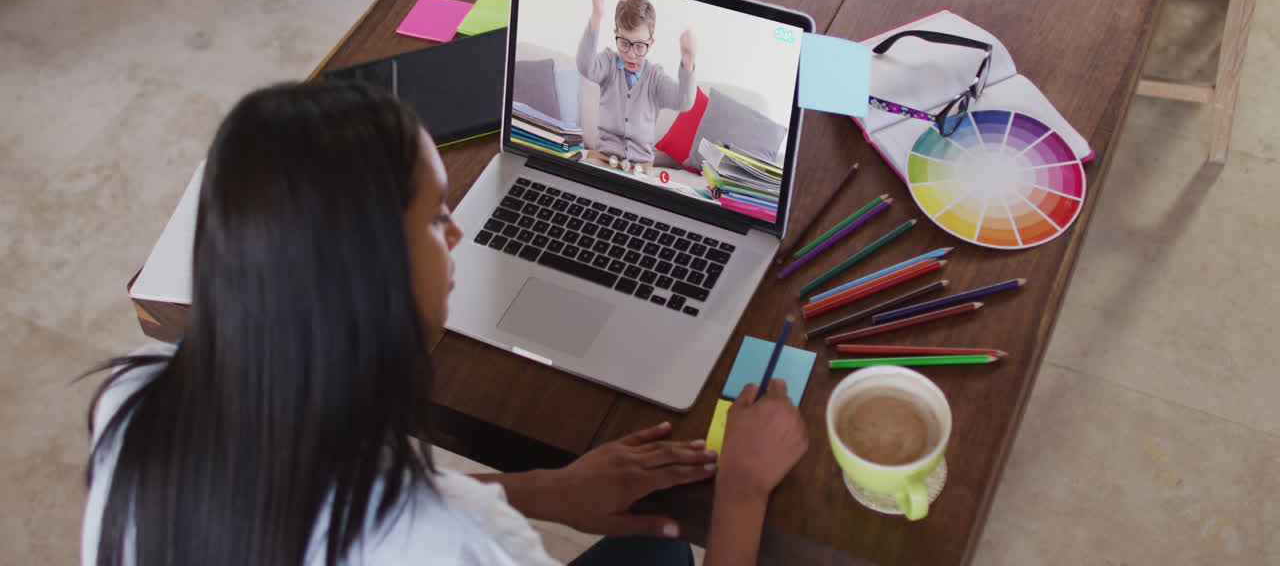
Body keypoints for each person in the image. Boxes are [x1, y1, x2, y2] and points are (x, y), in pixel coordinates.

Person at [82, 80, 808, 566]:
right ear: (371, 277)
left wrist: (545, 491)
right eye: (434, 217)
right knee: (668, 546)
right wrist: (741, 490)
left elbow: (326, 503)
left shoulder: (135, 404)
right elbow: (423, 528)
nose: (458, 231)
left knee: (650, 548)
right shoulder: (453, 546)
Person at [576, 0, 697, 173]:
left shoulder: (655, 78)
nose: (632, 54)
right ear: (615, 34)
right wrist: (596, 16)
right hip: (602, 158)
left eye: (640, 46)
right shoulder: (608, 64)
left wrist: (688, 63)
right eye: (624, 43)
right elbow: (585, 66)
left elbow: (684, 102)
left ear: (652, 42)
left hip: (640, 168)